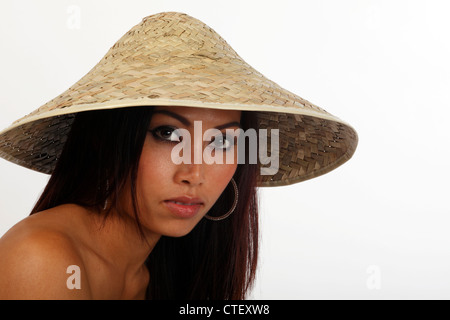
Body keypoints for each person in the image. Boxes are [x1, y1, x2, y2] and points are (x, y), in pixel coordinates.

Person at [0, 12, 358, 299]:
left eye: (222, 141)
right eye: (168, 134)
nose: (195, 173)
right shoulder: (41, 260)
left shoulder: (172, 269)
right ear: (106, 140)